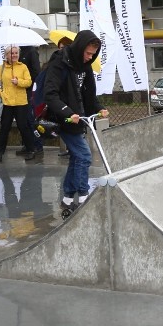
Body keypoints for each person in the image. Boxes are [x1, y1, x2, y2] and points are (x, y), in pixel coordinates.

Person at [43, 30, 109, 214]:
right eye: (88, 53)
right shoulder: (59, 62)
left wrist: (98, 108)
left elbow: (88, 95)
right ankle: (83, 196)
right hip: (62, 117)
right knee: (84, 155)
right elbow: (50, 94)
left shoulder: (85, 65)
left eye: (93, 54)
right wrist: (67, 112)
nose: (90, 57)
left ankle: (67, 197)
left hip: (78, 118)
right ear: (80, 47)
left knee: (76, 158)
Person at [0, 45, 37, 163]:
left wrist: (18, 82)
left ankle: (31, 150)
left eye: (16, 53)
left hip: (21, 103)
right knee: (4, 128)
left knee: (23, 127)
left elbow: (29, 82)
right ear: (7, 55)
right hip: (7, 103)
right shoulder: (1, 68)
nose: (15, 55)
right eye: (12, 53)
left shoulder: (23, 67)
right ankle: (0, 153)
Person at [16, 45, 44, 157]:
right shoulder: (19, 51)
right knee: (23, 121)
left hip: (30, 91)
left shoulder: (32, 51)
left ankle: (38, 145)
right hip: (20, 91)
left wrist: (34, 89)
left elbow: (37, 71)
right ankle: (28, 145)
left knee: (31, 120)